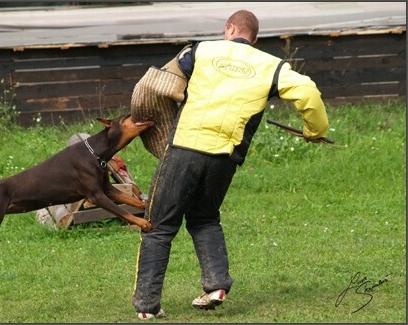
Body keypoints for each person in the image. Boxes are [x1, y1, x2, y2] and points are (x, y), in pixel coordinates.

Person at [132, 9, 329, 320]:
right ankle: (216, 286)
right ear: (254, 38)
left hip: (184, 147)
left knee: (158, 226)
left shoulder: (201, 50)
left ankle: (147, 306)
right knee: (205, 218)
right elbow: (307, 90)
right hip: (224, 157)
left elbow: (162, 82)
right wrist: (313, 131)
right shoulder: (272, 66)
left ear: (229, 29)